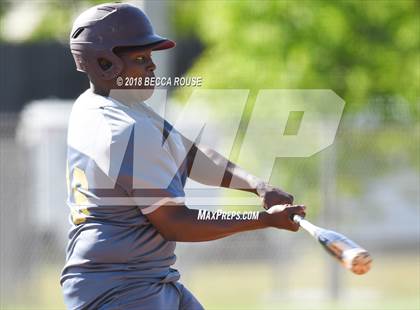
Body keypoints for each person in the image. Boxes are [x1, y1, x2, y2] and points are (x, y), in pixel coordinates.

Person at [62, 3, 306, 309]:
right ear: (104, 63)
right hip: (119, 288)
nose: (152, 66)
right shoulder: (123, 130)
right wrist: (262, 221)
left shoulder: (103, 104)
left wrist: (256, 185)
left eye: (150, 57)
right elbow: (176, 223)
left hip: (140, 277)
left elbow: (189, 155)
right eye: (140, 58)